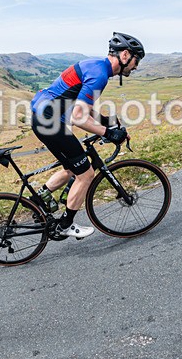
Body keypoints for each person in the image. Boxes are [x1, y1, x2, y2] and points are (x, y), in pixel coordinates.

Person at [29, 31, 144, 239]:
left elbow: (80, 103)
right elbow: (79, 117)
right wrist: (109, 133)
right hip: (51, 122)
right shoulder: (100, 75)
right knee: (87, 174)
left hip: (44, 118)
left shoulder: (96, 66)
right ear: (125, 55)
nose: (136, 67)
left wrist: (105, 121)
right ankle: (65, 225)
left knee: (73, 168)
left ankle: (39, 199)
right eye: (136, 61)